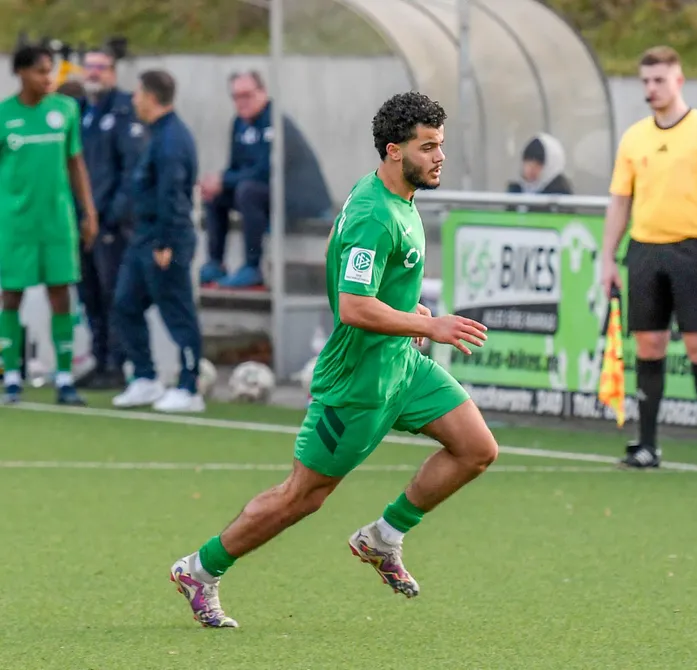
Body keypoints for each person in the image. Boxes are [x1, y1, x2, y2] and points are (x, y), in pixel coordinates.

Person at [169, 91, 498, 628]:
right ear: (395, 150)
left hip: (402, 368)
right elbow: (351, 306)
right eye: (429, 147)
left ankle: (383, 537)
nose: (440, 157)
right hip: (357, 382)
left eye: (442, 145)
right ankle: (199, 570)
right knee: (302, 496)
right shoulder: (374, 212)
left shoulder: (394, 196)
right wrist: (427, 323)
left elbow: (351, 264)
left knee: (476, 449)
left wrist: (405, 307)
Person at [601, 45, 697, 471]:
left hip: (692, 251)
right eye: (645, 81)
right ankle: (646, 446)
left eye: (659, 80)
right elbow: (619, 202)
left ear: (678, 81)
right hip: (644, 252)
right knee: (648, 343)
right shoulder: (634, 137)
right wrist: (608, 258)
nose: (651, 89)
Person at [0, 44, 98, 405]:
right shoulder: (3, 115)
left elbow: (76, 164)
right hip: (14, 221)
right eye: (41, 71)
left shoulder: (65, 110)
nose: (48, 78)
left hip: (57, 221)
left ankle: (64, 378)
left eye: (51, 70)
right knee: (11, 294)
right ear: (21, 73)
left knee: (61, 293)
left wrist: (89, 211)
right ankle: (10, 377)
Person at [111, 70, 204, 413]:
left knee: (177, 312)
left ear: (150, 97)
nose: (133, 100)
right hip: (144, 236)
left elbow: (173, 194)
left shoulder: (172, 140)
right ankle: (146, 378)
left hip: (166, 237)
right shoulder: (156, 134)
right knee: (125, 303)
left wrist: (166, 242)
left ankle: (190, 387)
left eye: (137, 94)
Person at [198, 71, 332, 289]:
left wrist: (224, 179)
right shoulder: (239, 125)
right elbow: (236, 168)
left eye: (247, 95)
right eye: (236, 97)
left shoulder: (277, 123)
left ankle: (252, 267)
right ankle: (215, 262)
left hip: (300, 199)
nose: (242, 102)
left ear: (263, 92)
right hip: (265, 195)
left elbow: (266, 170)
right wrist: (218, 182)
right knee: (217, 194)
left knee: (246, 191)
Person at [76, 48, 146, 390]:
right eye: (88, 67)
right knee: (88, 294)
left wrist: (111, 218)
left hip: (109, 225)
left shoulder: (123, 111)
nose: (93, 73)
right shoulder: (79, 110)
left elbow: (131, 171)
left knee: (112, 293)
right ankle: (99, 358)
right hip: (80, 222)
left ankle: (118, 363)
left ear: (113, 73)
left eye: (100, 68)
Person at [507, 132, 573, 197]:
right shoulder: (514, 193)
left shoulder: (560, 198)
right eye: (528, 161)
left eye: (539, 164)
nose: (531, 168)